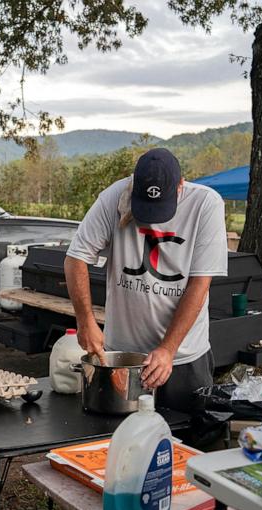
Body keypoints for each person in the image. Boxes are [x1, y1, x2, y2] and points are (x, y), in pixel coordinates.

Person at [64, 148, 228, 412]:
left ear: (180, 186)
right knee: (123, 446)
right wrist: (85, 321)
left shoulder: (206, 204)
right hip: (121, 356)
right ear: (133, 184)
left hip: (184, 358)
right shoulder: (114, 197)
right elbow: (76, 258)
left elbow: (199, 285)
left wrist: (168, 349)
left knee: (189, 444)